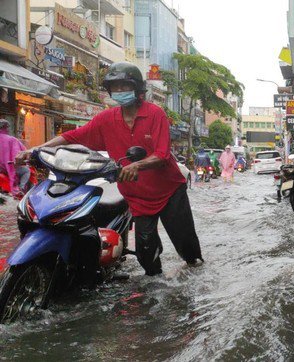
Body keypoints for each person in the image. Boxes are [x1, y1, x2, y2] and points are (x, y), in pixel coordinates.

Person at [15, 62, 203, 276]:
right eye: (116, 87)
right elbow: (71, 137)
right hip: (138, 196)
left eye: (125, 86)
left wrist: (137, 165)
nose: (120, 91)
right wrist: (35, 149)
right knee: (145, 251)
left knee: (187, 245)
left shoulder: (155, 114)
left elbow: (161, 154)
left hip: (169, 191)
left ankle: (194, 271)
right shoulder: (106, 119)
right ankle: (155, 286)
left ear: (138, 89)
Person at [0, 119, 30, 196]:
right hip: (8, 168)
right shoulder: (12, 139)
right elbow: (21, 153)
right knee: (26, 171)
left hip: (1, 169)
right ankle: (21, 188)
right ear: (6, 127)